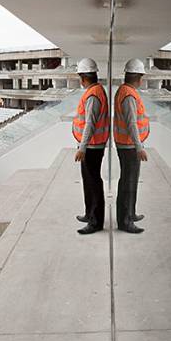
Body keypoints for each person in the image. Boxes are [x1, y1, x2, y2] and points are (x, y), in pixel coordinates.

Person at [72, 58, 109, 235]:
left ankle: (96, 222)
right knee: (88, 181)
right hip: (91, 146)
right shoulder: (94, 91)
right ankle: (89, 214)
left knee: (93, 182)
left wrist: (82, 147)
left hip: (93, 147)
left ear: (84, 77)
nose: (80, 80)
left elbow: (90, 124)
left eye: (80, 76)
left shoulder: (93, 94)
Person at [113, 58, 149, 233]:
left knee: (130, 182)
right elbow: (132, 123)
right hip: (128, 146)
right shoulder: (128, 94)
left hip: (128, 145)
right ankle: (125, 222)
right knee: (128, 183)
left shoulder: (126, 91)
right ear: (138, 77)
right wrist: (139, 146)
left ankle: (131, 214)